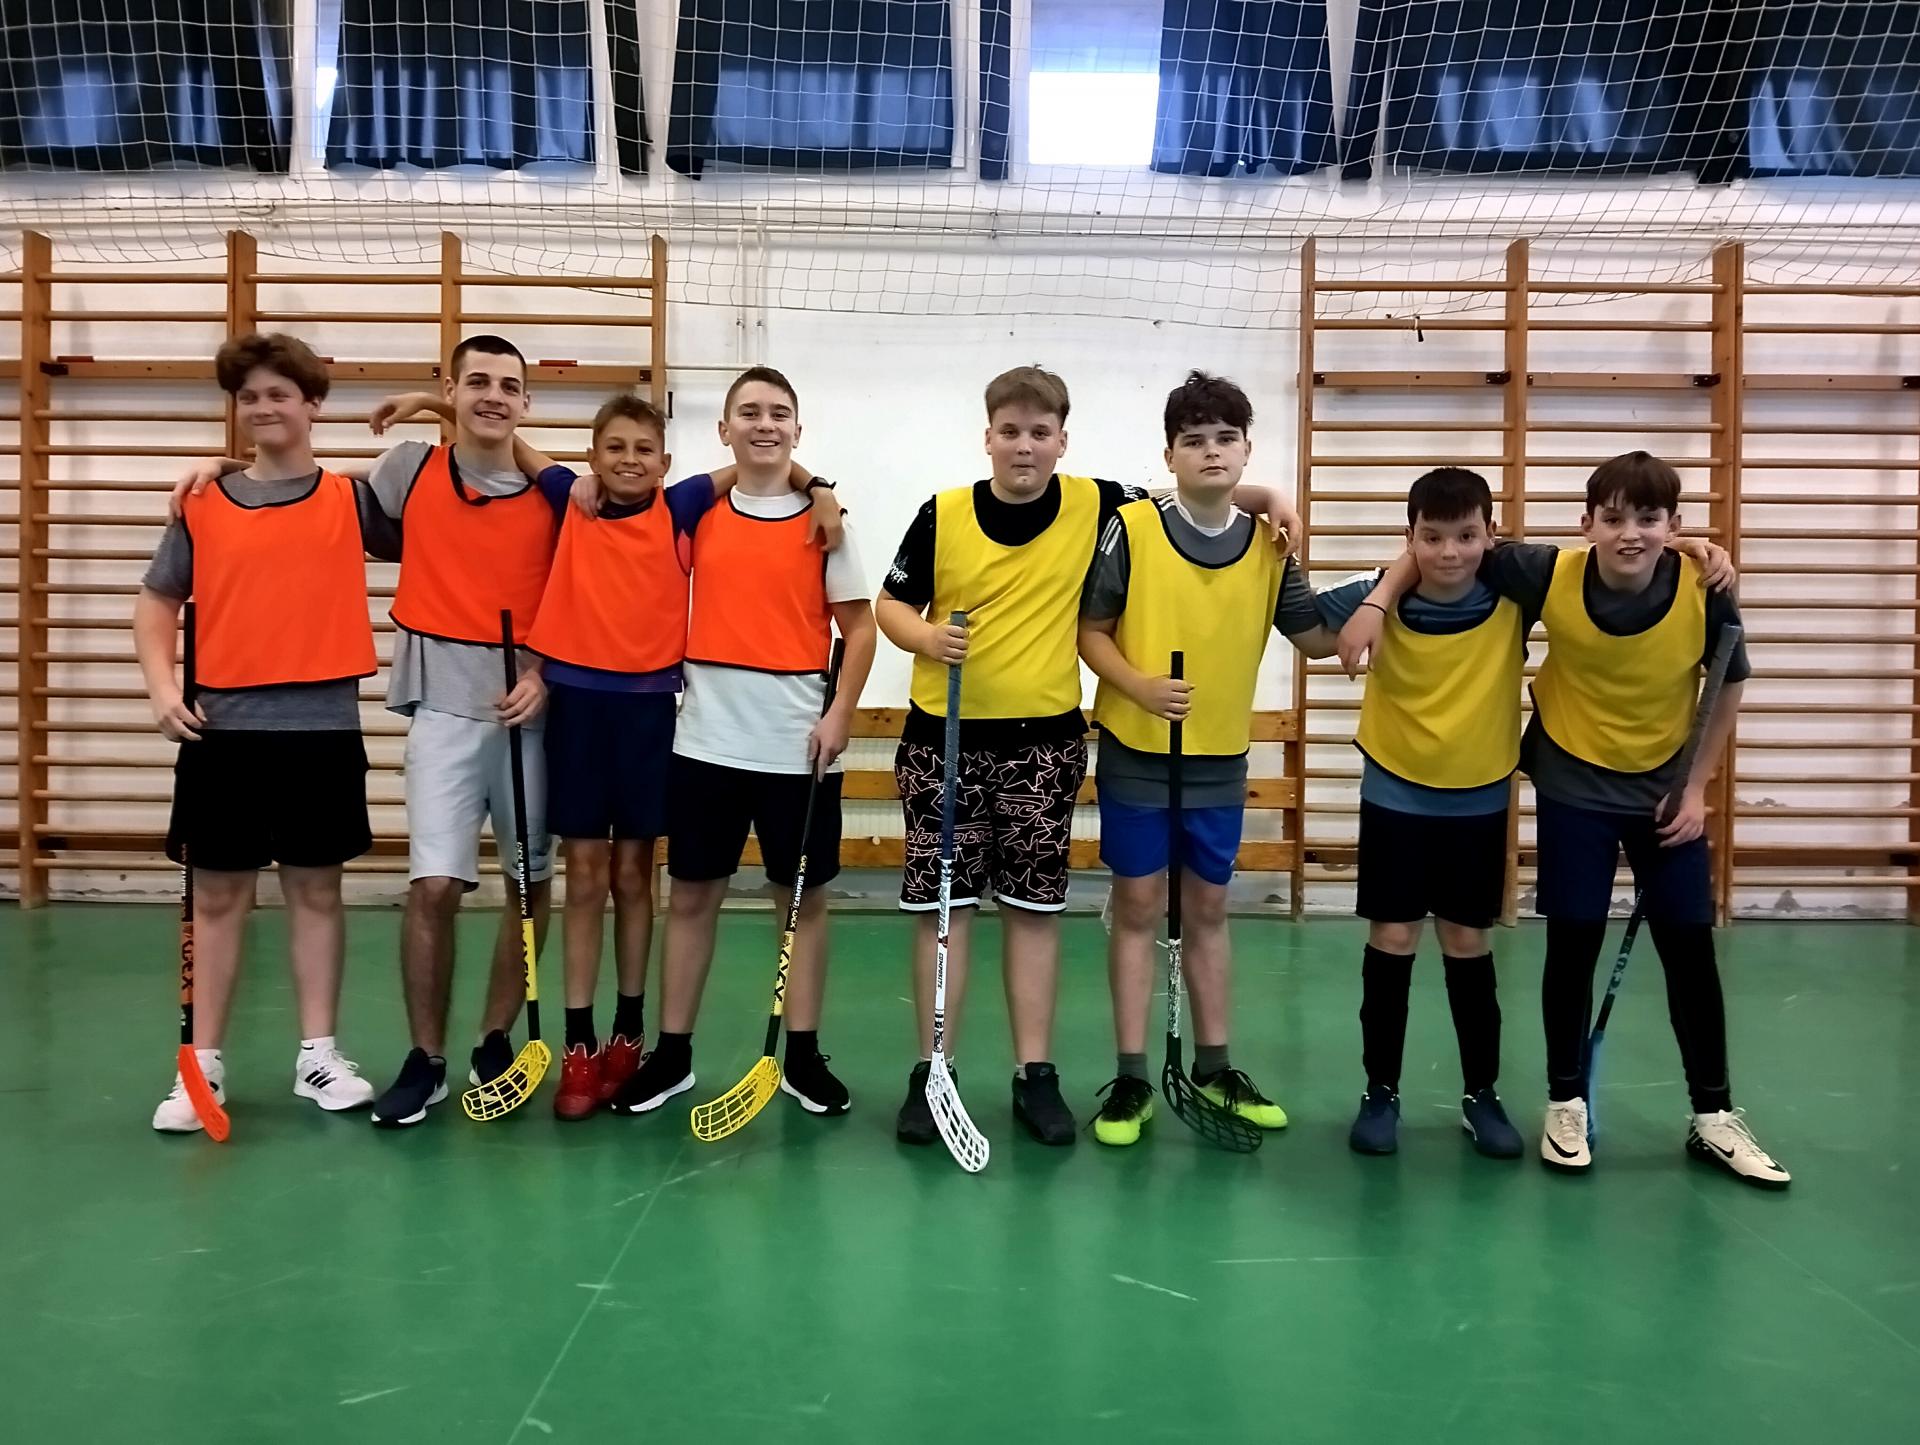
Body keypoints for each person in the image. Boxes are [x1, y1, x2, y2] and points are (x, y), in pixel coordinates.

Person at [876, 365, 1299, 1147]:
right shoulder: (942, 512)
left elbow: (1193, 491)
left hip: (1043, 746)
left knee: (1033, 915)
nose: (1025, 445)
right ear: (988, 437)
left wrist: (1267, 494)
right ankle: (932, 1072)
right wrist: (926, 636)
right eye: (1010, 431)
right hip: (944, 741)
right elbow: (890, 603)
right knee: (945, 914)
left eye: (1040, 432)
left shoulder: (1100, 503)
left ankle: (1035, 1075)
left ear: (1062, 441)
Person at [1340, 451, 1785, 1187]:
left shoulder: (1703, 587)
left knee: (1689, 949)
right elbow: (1436, 542)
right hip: (1573, 786)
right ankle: (1564, 1101)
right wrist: (1379, 596)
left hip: (1666, 795)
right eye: (1613, 518)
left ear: (1673, 525)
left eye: (1649, 520)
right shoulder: (1545, 572)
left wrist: (1699, 787)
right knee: (1571, 948)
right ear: (1586, 524)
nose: (1630, 533)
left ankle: (1714, 1113)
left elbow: (1730, 684)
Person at [137, 332, 393, 1130]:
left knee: (316, 890)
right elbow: (156, 601)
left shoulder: (350, 499)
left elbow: (450, 490)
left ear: (313, 404)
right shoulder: (203, 503)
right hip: (224, 730)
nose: (263, 406)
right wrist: (162, 688)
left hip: (320, 728)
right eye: (248, 396)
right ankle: (200, 1067)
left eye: (280, 393)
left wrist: (425, 405)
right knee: (217, 897)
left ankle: (318, 1054)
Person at [610, 366, 876, 1121]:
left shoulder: (827, 524)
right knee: (693, 896)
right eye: (750, 413)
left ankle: (803, 1057)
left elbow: (860, 630)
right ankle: (672, 1056)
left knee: (802, 902)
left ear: (798, 429)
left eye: (780, 413)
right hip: (705, 744)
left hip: (798, 747)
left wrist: (841, 715)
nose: (766, 424)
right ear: (724, 430)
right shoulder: (697, 513)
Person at [1276, 467, 1530, 1157]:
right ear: (1409, 537)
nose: (1450, 551)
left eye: (1467, 536)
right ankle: (1380, 1091)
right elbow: (1305, 630)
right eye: (1432, 537)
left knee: (1467, 944)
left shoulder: (1516, 593)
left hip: (1479, 795)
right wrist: (1275, 543)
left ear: (1491, 534)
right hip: (1396, 793)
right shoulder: (1371, 596)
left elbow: (1598, 573)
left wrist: (1691, 547)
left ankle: (1482, 1095)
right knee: (1392, 939)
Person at [1076, 371, 1291, 1147]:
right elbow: (1090, 630)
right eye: (1193, 440)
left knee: (1206, 912)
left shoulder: (1271, 543)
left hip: (1218, 762)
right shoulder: (1131, 528)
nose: (1211, 451)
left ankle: (1215, 1067)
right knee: (1137, 908)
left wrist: (1391, 587)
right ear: (1169, 454)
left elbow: (1315, 629)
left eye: (1225, 438)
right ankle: (1133, 1076)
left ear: (1247, 449)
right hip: (1139, 754)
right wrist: (1138, 685)